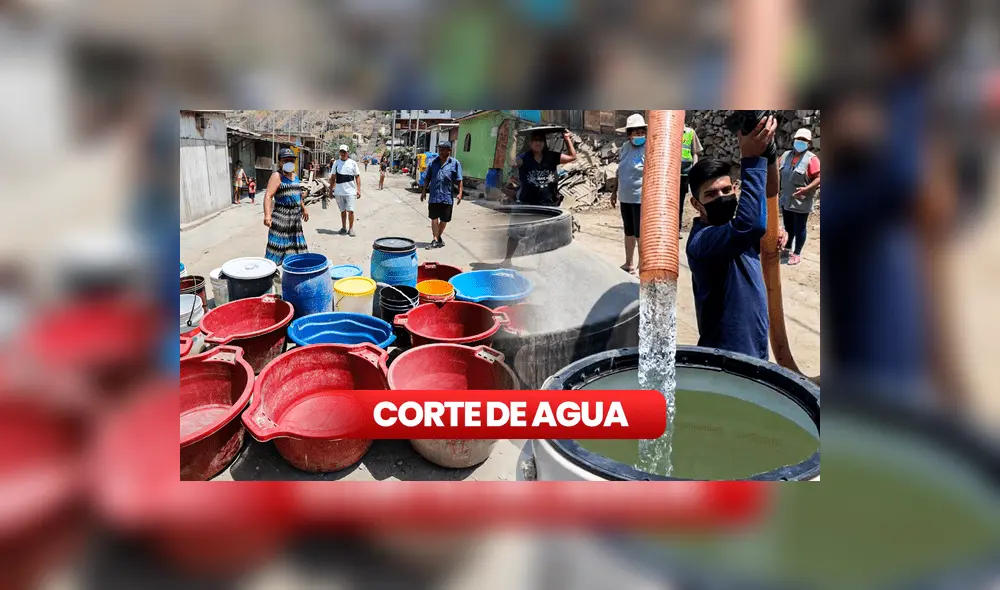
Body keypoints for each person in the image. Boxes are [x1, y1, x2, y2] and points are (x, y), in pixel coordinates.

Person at [685, 116, 776, 360]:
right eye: (711, 194)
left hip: (753, 349)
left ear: (735, 188)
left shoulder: (732, 231)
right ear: (696, 204)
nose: (722, 197)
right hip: (726, 359)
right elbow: (751, 225)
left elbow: (754, 228)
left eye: (727, 190)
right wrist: (752, 160)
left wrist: (771, 237)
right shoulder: (702, 243)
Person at [502, 129, 577, 266]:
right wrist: (514, 140)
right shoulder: (524, 158)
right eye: (535, 140)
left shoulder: (553, 157)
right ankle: (507, 261)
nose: (538, 142)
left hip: (548, 204)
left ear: (544, 143)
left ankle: (543, 265)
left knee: (545, 236)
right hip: (526, 203)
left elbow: (572, 157)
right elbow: (512, 162)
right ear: (530, 143)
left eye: (540, 140)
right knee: (515, 233)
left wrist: (567, 139)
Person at [610, 113, 647, 274]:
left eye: (641, 132)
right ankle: (629, 263)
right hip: (625, 197)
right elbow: (620, 171)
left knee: (640, 234)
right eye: (635, 132)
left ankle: (641, 266)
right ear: (629, 134)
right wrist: (613, 192)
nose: (639, 135)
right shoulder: (625, 147)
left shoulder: (649, 148)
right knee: (629, 232)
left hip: (641, 198)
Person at [778, 128, 821, 265]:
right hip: (786, 198)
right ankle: (787, 248)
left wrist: (806, 189)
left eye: (804, 140)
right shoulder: (785, 156)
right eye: (799, 139)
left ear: (809, 143)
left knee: (800, 227)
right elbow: (776, 170)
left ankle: (797, 253)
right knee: (788, 225)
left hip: (802, 199)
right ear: (794, 140)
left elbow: (819, 177)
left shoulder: (812, 159)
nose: (800, 142)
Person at [263, 148, 309, 263]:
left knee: (296, 247)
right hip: (281, 218)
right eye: (285, 160)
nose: (289, 163)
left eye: (291, 160)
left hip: (295, 220)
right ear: (279, 162)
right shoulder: (276, 176)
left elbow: (297, 195)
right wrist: (267, 215)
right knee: (277, 248)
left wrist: (303, 208)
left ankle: (292, 269)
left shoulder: (295, 176)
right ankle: (271, 273)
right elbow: (268, 196)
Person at [420, 141, 463, 249]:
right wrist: (424, 191)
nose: (440, 151)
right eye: (439, 149)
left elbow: (459, 180)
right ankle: (435, 239)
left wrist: (460, 193)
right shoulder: (433, 163)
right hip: (434, 196)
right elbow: (427, 178)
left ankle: (438, 238)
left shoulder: (455, 163)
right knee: (434, 218)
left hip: (447, 196)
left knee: (444, 220)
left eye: (443, 149)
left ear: (449, 150)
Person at [679, 118, 704, 232]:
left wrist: (694, 169)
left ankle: (677, 228)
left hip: (684, 174)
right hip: (669, 174)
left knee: (680, 202)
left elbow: (695, 152)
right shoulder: (668, 131)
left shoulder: (690, 133)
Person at [332, 144, 361, 237]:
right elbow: (332, 177)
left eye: (344, 152)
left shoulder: (353, 163)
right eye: (341, 152)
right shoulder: (336, 163)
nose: (343, 153)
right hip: (339, 192)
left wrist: (359, 190)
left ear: (348, 152)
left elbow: (357, 177)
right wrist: (330, 190)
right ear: (339, 152)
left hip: (350, 192)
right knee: (343, 211)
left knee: (351, 211)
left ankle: (351, 229)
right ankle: (344, 228)